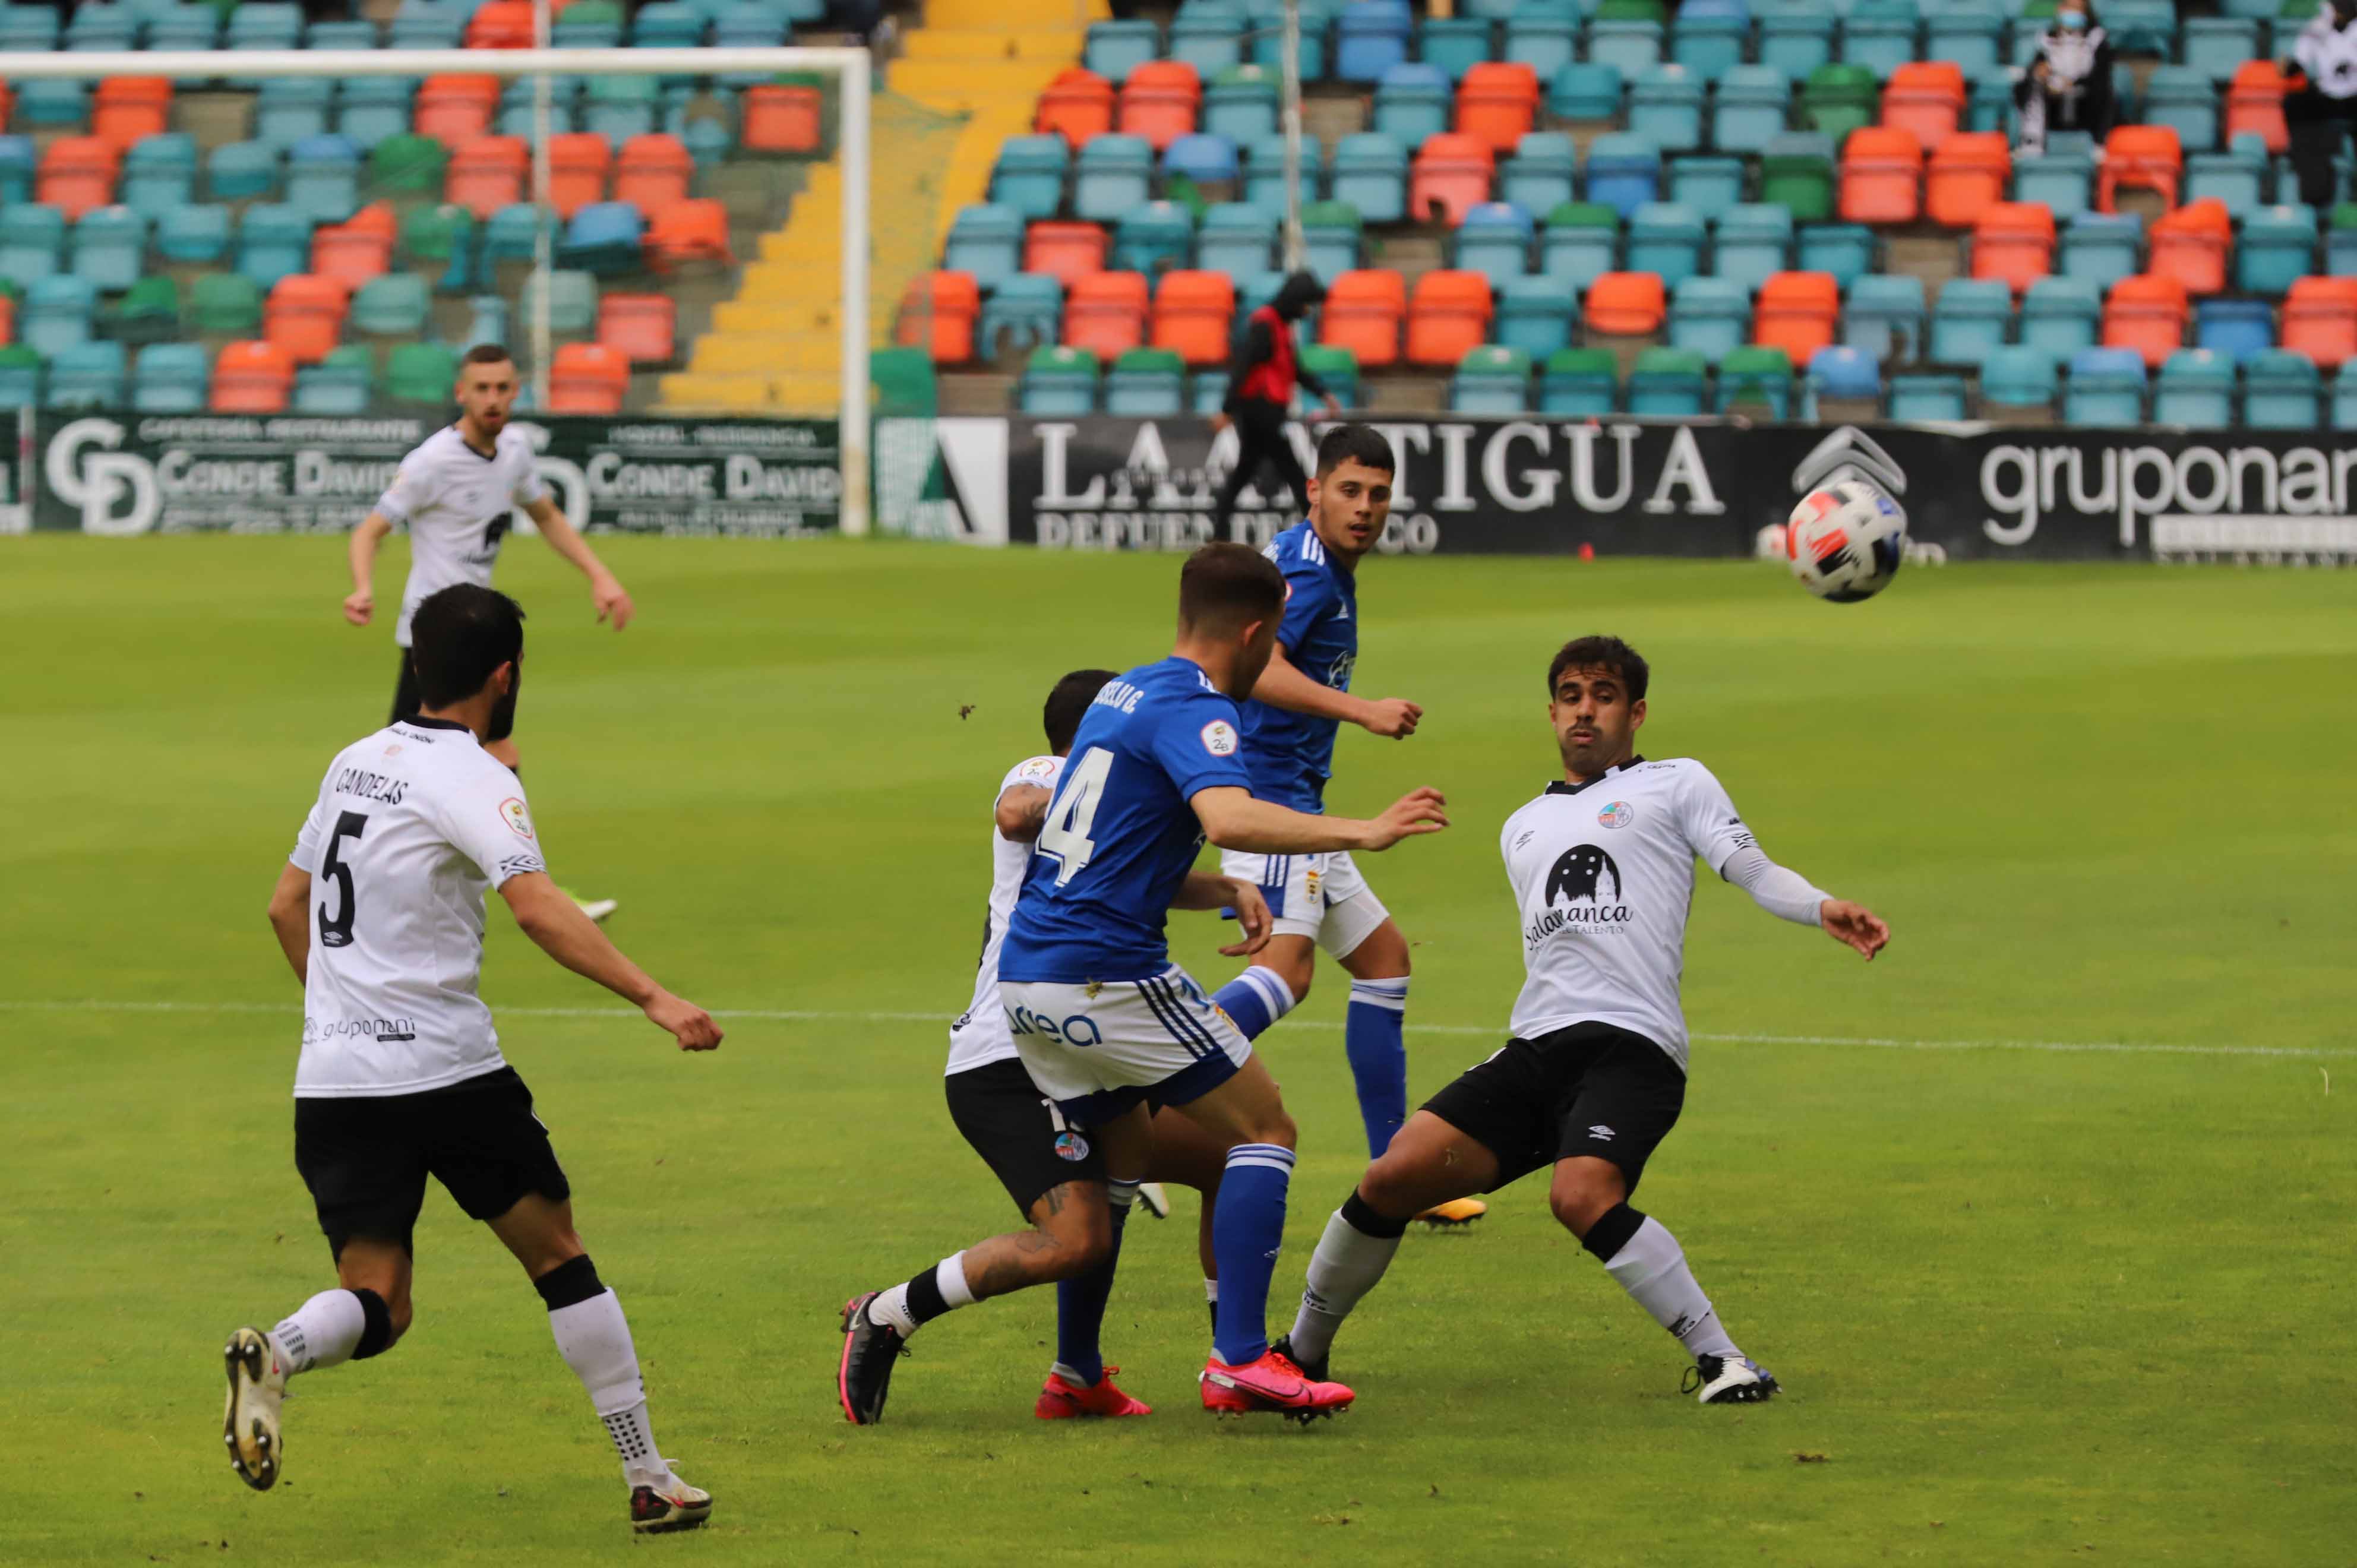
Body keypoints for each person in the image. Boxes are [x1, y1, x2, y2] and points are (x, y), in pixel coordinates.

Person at [837, 544, 1449, 1424]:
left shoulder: (1121, 691)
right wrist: (1364, 829)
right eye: (1273, 641)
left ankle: (1055, 1367)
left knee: (1118, 1177)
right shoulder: (1195, 710)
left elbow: (1097, 847)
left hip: (1032, 982)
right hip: (1102, 977)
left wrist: (1218, 886)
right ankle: (1240, 1359)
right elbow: (1228, 814)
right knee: (1265, 1130)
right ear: (1253, 630)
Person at [1275, 636, 1891, 1406]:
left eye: (1603, 696)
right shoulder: (1522, 825)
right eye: (1571, 696)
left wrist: (1821, 906)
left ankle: (1727, 1363)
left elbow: (1750, 867)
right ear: (1552, 712)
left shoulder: (1677, 783)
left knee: (1580, 1196)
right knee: (1393, 1175)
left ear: (1635, 713)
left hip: (1633, 1049)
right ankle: (1299, 1353)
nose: (1585, 711)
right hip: (1538, 1049)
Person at [228, 584, 724, 1535]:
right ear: (506, 678)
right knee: (560, 1259)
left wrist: (340, 1017)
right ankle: (649, 1476)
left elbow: (284, 907)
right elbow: (537, 907)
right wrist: (658, 998)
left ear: (416, 666)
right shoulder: (475, 778)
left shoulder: (354, 760)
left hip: (335, 1081)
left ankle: (281, 1352)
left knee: (379, 1299)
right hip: (449, 1073)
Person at [936, 666, 1271, 1421]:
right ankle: (892, 1313)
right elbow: (1018, 810)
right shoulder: (1050, 767)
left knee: (1223, 1158)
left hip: (1079, 1022)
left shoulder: (1104, 811)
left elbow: (1130, 870)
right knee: (1081, 1232)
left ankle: (1140, 1367)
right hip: (1025, 1044)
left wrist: (1219, 888)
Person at [1205, 423, 1487, 1228]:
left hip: (1297, 797)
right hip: (1269, 802)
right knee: (1287, 975)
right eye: (1350, 491)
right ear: (1315, 491)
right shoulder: (1309, 575)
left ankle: (1395, 1174)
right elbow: (1260, 672)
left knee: (1385, 961)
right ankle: (1146, 1091)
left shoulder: (1316, 562)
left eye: (1378, 494)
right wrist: (1362, 710)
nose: (1366, 509)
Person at [342, 343, 630, 922]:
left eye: (502, 388)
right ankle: (370, 877)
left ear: (515, 391)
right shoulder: (431, 461)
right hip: (432, 637)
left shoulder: (515, 451)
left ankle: (514, 882)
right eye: (482, 388)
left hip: (480, 630)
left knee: (481, 752)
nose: (493, 399)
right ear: (461, 393)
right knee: (399, 763)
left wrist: (599, 575)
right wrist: (362, 586)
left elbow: (545, 514)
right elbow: (370, 530)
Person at [1209, 271, 1340, 537]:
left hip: (1267, 411)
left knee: (1245, 473)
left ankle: (1219, 533)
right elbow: (1244, 368)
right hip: (1260, 410)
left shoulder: (1279, 326)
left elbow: (1294, 369)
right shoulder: (1265, 325)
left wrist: (1323, 392)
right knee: (1291, 468)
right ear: (1295, 300)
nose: (1308, 310)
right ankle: (1320, 530)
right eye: (1306, 303)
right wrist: (1227, 409)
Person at [2010, 0, 2116, 155]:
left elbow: (2100, 78)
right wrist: (2040, 74)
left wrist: (2072, 84)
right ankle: (2032, 145)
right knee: (2026, 85)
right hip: (2053, 104)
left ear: (2086, 14)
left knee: (2104, 92)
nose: (2070, 13)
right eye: (2067, 7)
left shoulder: (2097, 40)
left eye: (2076, 9)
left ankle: (2098, 145)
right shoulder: (2047, 40)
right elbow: (2035, 72)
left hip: (2086, 106)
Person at [2287, 0, 2357, 210]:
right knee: (2295, 105)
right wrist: (2289, 67)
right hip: (2327, 95)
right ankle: (2317, 189)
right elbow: (2298, 64)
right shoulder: (2315, 29)